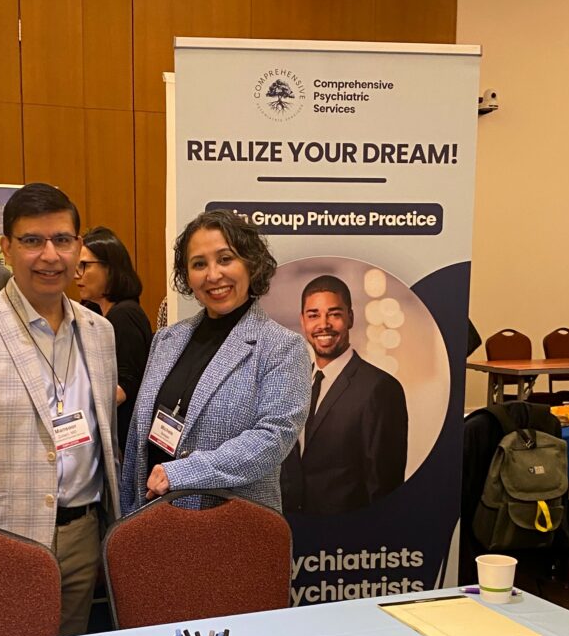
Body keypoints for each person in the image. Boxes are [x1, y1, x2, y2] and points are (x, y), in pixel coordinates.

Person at [0, 183, 121, 636]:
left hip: (84, 534)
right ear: (8, 247)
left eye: (62, 240)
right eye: (33, 240)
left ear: (78, 246)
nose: (49, 256)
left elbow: (104, 438)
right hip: (7, 538)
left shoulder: (99, 331)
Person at [121, 209, 310, 514]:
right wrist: (128, 516)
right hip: (154, 521)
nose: (213, 275)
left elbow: (273, 438)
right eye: (199, 264)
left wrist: (182, 473)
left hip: (231, 527)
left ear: (251, 264)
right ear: (187, 275)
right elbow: (138, 439)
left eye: (225, 259)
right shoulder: (166, 340)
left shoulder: (282, 347)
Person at [281, 275, 408, 515]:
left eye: (334, 314)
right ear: (302, 321)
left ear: (350, 317)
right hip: (294, 528)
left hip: (348, 534)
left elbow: (383, 487)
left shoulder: (380, 388)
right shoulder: (293, 383)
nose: (323, 324)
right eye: (313, 315)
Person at [76, 226, 152, 448]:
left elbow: (126, 385)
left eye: (85, 265)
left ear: (110, 268)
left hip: (123, 437)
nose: (77, 274)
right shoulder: (94, 312)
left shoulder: (124, 314)